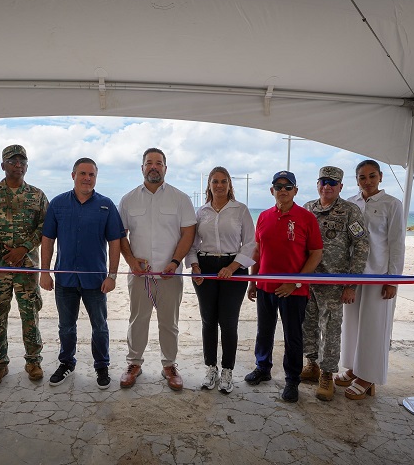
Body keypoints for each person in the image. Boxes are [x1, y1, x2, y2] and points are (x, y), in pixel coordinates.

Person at [40, 158, 125, 389]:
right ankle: (66, 363)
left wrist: (113, 276)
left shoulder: (106, 205)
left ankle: (102, 366)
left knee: (100, 326)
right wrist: (45, 272)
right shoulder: (57, 204)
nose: (87, 178)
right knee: (66, 326)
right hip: (65, 279)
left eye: (92, 175)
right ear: (73, 175)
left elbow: (116, 241)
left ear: (96, 177)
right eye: (83, 173)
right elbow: (47, 239)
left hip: (96, 280)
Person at [118, 148, 196, 391]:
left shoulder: (180, 198)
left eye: (159, 163)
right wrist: (130, 261)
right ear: (142, 168)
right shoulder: (128, 199)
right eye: (149, 163)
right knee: (138, 320)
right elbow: (120, 235)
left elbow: (189, 233)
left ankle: (169, 366)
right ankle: (134, 364)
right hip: (139, 275)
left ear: (165, 168)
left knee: (169, 323)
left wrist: (174, 262)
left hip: (170, 274)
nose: (154, 167)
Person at [0, 144, 49, 387]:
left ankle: (34, 361)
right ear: (3, 165)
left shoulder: (37, 195)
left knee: (30, 314)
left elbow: (44, 228)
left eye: (22, 161)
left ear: (27, 165)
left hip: (26, 267)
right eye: (12, 161)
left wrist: (23, 248)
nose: (18, 165)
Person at [245, 171, 323, 403]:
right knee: (264, 330)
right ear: (272, 191)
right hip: (266, 287)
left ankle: (292, 379)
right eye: (278, 186)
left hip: (294, 290)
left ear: (295, 191)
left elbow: (316, 254)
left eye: (288, 187)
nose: (283, 190)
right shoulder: (264, 217)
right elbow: (257, 251)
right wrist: (253, 281)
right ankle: (263, 367)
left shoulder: (306, 218)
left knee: (293, 335)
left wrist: (295, 282)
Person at [301, 166, 370, 401]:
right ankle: (312, 365)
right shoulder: (307, 208)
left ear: (340, 186)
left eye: (333, 182)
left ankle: (327, 375)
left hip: (334, 282)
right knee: (308, 324)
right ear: (317, 184)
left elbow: (361, 246)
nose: (327, 186)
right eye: (323, 182)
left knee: (330, 330)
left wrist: (351, 283)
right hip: (307, 280)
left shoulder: (349, 211)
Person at [186, 166, 255, 394]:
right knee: (208, 321)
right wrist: (195, 266)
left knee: (228, 321)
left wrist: (233, 266)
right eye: (215, 181)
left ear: (229, 185)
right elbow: (193, 244)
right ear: (209, 185)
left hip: (233, 268)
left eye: (223, 181)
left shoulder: (240, 210)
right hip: (205, 268)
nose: (219, 185)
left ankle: (227, 371)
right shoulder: (201, 212)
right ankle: (211, 368)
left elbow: (250, 244)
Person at [340, 159, 406, 399]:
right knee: (352, 324)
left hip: (379, 274)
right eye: (362, 177)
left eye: (371, 176)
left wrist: (393, 280)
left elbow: (397, 243)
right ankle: (352, 367)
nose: (367, 181)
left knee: (374, 327)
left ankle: (368, 376)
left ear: (380, 177)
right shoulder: (350, 204)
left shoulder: (392, 204)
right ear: (356, 180)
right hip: (353, 274)